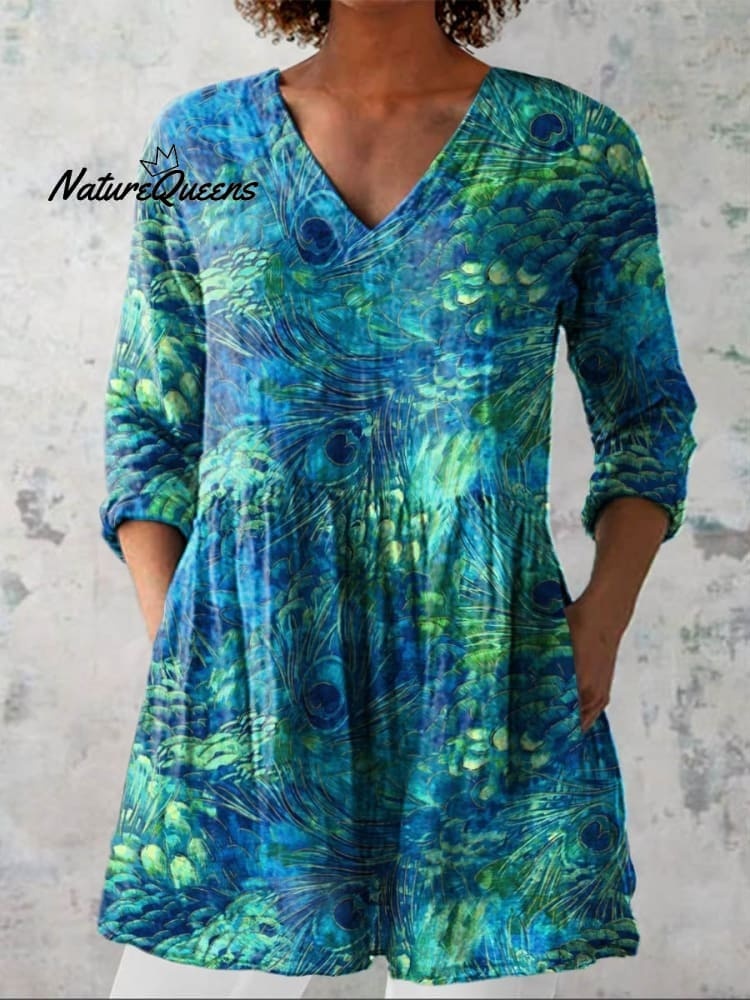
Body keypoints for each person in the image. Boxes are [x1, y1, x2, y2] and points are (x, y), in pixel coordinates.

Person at [99, 1, 699, 998]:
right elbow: (148, 420)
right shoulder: (202, 143)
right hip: (249, 675)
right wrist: (181, 641)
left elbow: (646, 414)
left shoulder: (569, 149)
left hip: (487, 673)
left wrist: (602, 620)